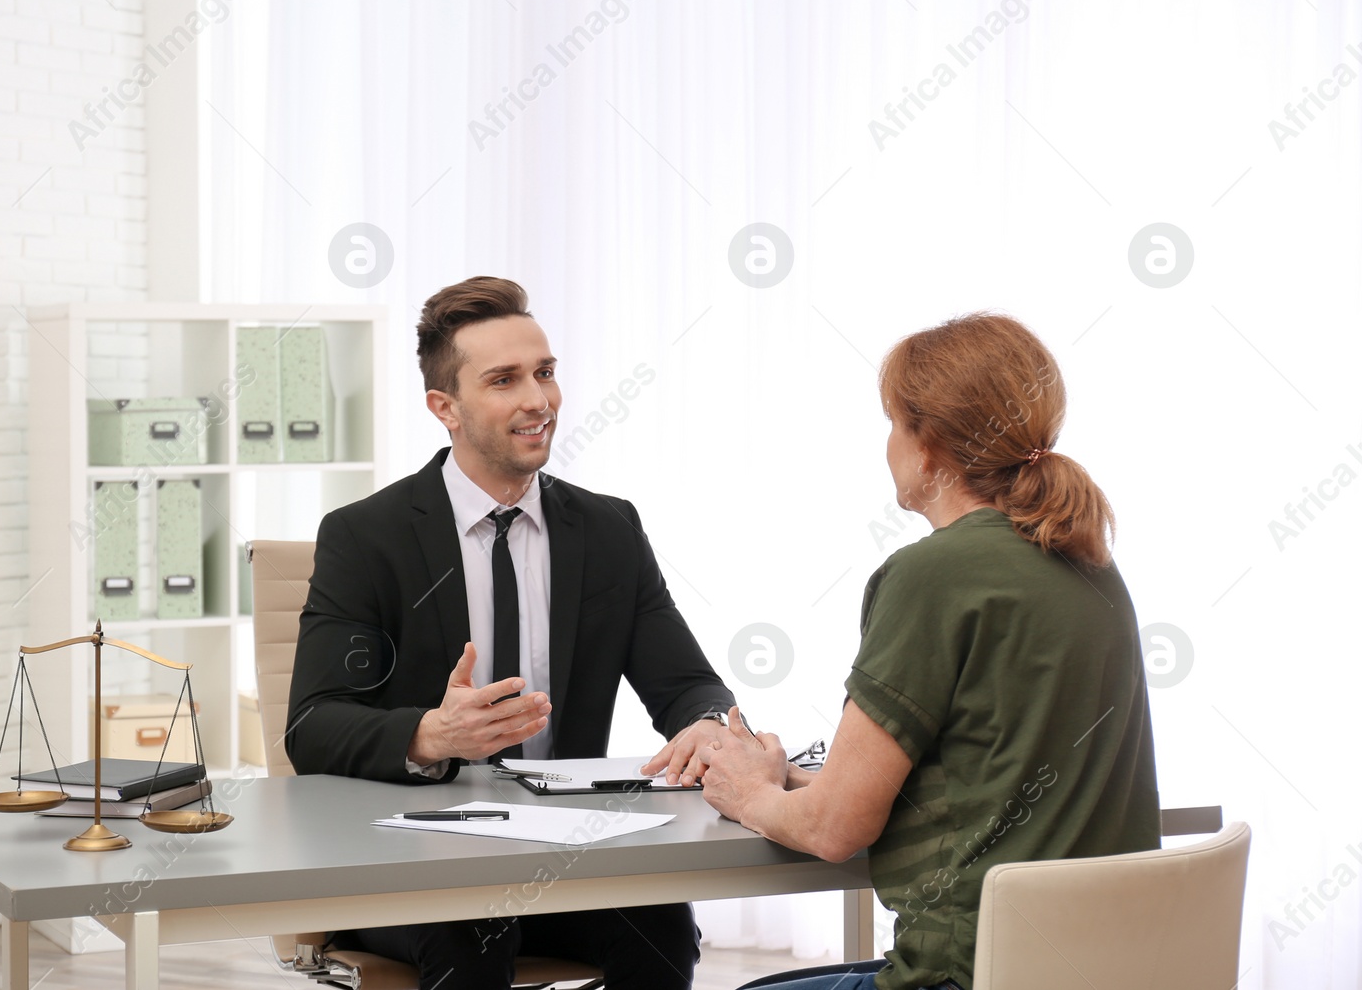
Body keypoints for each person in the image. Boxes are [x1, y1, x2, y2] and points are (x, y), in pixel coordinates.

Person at [287, 276, 738, 990]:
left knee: (662, 926)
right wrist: (430, 735)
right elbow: (312, 724)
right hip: (413, 863)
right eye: (505, 380)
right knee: (470, 929)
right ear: (446, 407)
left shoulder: (609, 529)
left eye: (546, 372)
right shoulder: (365, 537)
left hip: (567, 857)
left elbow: (684, 683)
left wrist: (710, 723)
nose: (539, 399)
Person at [697, 313, 1161, 990]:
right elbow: (995, 771)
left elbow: (833, 830)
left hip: (969, 972)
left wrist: (751, 793)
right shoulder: (1091, 563)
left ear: (930, 443)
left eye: (893, 423)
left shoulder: (932, 573)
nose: (888, 444)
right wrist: (796, 777)